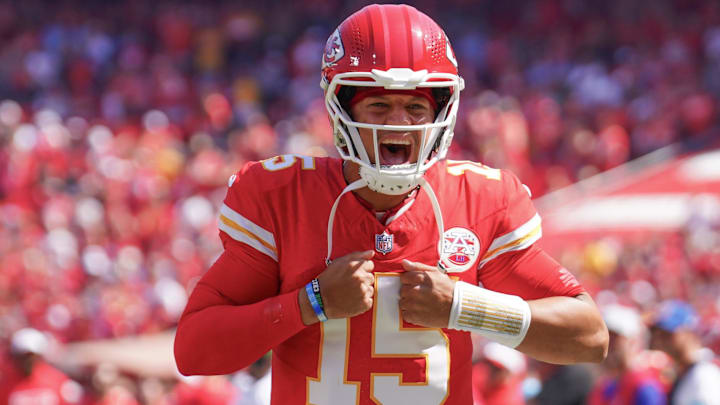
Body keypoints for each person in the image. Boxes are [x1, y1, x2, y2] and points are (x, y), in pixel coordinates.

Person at [173, 4, 608, 404]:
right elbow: (194, 350)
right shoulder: (284, 197)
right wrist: (311, 302)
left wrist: (464, 307)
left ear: (442, 112)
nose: (398, 123)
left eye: (416, 106)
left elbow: (588, 336)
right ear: (340, 108)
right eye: (378, 105)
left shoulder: (481, 200)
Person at [589, 304, 666, 405]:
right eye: (606, 337)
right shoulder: (608, 386)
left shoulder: (645, 387)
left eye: (614, 338)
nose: (608, 345)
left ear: (633, 342)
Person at [649, 300, 720, 405]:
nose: (660, 339)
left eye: (667, 334)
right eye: (658, 333)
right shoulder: (682, 370)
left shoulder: (704, 374)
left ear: (688, 332)